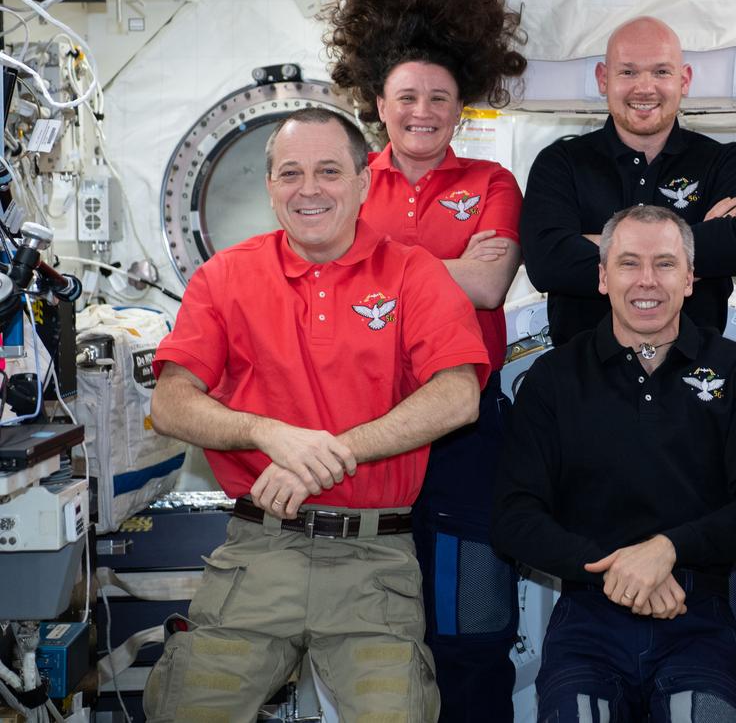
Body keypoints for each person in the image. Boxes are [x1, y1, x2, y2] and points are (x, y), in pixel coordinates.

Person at [144, 108, 491, 723]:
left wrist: (324, 457)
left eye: (329, 171)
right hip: (258, 553)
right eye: (290, 173)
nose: (309, 189)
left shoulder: (415, 274)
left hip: (373, 564)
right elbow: (170, 402)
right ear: (270, 186)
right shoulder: (224, 277)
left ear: (364, 183)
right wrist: (268, 433)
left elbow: (458, 395)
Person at [323, 0, 527, 723]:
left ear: (460, 107)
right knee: (369, 632)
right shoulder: (340, 182)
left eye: (439, 98)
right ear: (379, 103)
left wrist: (376, 270)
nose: (422, 111)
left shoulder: (494, 184)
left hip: (468, 431)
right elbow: (329, 287)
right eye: (407, 96)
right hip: (365, 426)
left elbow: (487, 287)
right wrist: (439, 266)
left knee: (472, 627)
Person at [492, 205, 736, 722]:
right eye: (629, 264)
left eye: (665, 264)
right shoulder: (554, 377)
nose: (647, 281)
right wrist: (620, 569)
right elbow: (514, 516)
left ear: (691, 278)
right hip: (588, 618)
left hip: (699, 618)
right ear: (603, 277)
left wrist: (667, 550)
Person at [520, 16, 736, 346]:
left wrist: (602, 246)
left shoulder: (725, 162)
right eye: (628, 71)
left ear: (684, 80)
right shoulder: (560, 164)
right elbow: (547, 263)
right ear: (602, 79)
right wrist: (691, 248)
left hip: (695, 383)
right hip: (582, 384)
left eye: (661, 72)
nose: (644, 87)